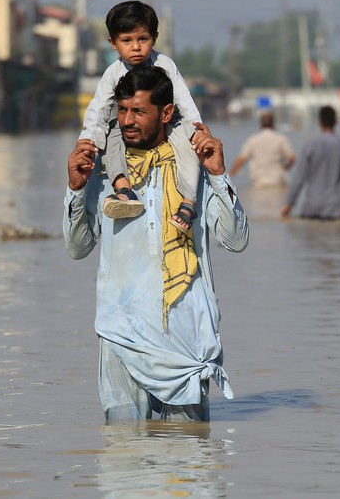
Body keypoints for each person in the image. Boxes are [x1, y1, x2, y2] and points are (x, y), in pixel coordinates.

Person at [63, 66, 249, 421]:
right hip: (121, 335)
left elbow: (236, 240)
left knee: (190, 460)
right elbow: (77, 247)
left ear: (166, 113)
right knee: (123, 458)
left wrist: (220, 175)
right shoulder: (100, 172)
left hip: (186, 338)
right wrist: (74, 190)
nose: (127, 121)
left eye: (139, 111)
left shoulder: (192, 172)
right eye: (121, 110)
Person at [79, 0, 201, 233]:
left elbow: (185, 102)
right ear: (112, 43)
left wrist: (196, 131)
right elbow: (98, 111)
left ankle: (188, 203)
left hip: (169, 121)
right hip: (120, 125)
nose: (136, 47)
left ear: (154, 38)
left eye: (142, 39)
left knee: (189, 148)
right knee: (109, 139)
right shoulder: (112, 74)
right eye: (127, 41)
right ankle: (123, 188)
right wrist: (88, 143)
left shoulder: (165, 65)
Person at [282, 105, 340, 221]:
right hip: (335, 208)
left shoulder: (309, 147)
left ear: (319, 122)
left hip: (311, 207)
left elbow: (299, 178)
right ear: (336, 121)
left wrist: (288, 205)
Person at [229, 112, 296, 188]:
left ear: (260, 125)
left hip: (259, 181)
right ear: (273, 124)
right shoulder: (281, 139)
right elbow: (292, 158)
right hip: (278, 179)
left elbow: (241, 160)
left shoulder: (252, 140)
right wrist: (285, 169)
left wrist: (229, 176)